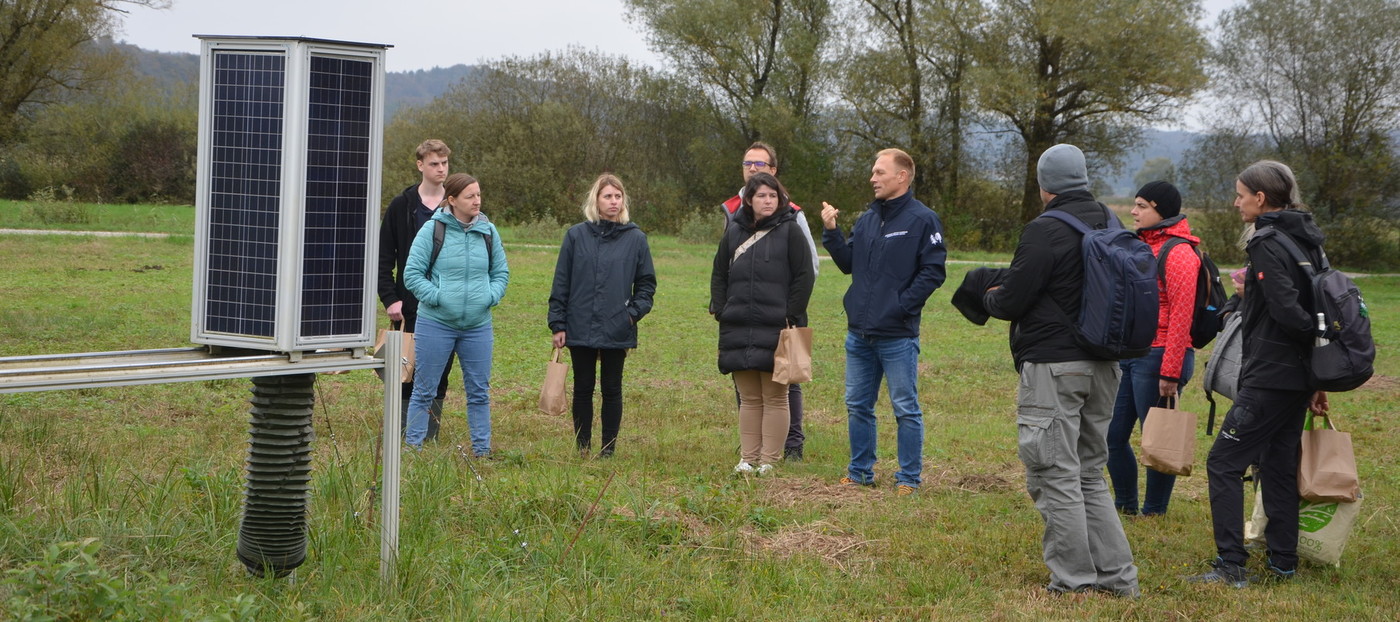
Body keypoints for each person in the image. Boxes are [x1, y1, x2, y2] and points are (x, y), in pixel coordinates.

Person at [982, 144, 1139, 597]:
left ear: (1043, 185)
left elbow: (1012, 299)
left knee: (1055, 473)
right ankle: (1118, 578)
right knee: (1090, 472)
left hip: (1055, 367)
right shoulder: (1111, 221)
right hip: (1107, 365)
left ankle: (1073, 581)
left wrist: (988, 295)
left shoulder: (1044, 229)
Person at [1187, 160, 1328, 587]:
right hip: (1298, 376)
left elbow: (1290, 311)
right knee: (1279, 466)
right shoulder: (1308, 238)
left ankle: (1231, 565)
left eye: (1241, 194)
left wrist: (1279, 321)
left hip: (1270, 376)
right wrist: (1315, 371)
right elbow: (1316, 307)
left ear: (1261, 198)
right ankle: (1283, 562)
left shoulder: (1266, 240)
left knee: (1223, 463)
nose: (1236, 202)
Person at [820, 148, 946, 495]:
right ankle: (860, 472)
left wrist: (900, 306)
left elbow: (933, 272)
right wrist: (831, 231)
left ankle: (908, 479)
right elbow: (849, 263)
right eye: (873, 173)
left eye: (879, 172)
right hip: (859, 334)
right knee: (857, 405)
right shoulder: (868, 219)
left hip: (897, 334)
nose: (872, 178)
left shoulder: (922, 220)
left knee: (905, 408)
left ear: (902, 176)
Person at [710, 172, 815, 476]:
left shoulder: (791, 231)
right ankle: (748, 458)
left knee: (775, 396)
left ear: (779, 198)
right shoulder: (734, 233)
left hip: (778, 326)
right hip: (738, 323)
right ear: (749, 200)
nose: (767, 201)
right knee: (749, 398)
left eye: (772, 195)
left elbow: (804, 277)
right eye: (761, 196)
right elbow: (719, 273)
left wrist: (790, 315)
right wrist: (721, 308)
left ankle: (769, 460)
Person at [1106, 181, 1200, 516]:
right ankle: (1125, 504)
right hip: (1131, 355)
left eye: (1142, 205)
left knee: (1158, 438)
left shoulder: (1180, 253)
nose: (1133, 211)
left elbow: (1181, 316)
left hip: (1160, 358)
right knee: (1111, 436)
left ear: (1160, 210)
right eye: (1135, 204)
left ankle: (1154, 511)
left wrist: (1170, 372)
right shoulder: (1143, 246)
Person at [549, 173, 657, 458]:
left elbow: (646, 284)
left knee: (611, 388)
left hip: (617, 325)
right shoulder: (576, 236)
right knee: (583, 388)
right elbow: (562, 281)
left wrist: (631, 315)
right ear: (595, 200)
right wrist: (558, 322)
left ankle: (608, 449)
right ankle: (582, 447)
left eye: (618, 196)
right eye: (607, 196)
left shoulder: (635, 239)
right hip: (579, 323)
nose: (613, 201)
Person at [402, 173, 510, 452]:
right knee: (424, 390)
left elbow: (501, 273)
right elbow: (412, 275)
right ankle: (413, 449)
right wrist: (438, 298)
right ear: (452, 200)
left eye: (478, 194)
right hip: (435, 323)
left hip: (478, 326)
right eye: (470, 196)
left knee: (478, 393)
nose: (477, 201)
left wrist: (490, 296)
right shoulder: (432, 230)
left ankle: (482, 451)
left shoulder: (488, 231)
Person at [377, 139, 454, 441]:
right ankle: (403, 433)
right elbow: (384, 257)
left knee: (440, 371)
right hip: (408, 306)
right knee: (404, 371)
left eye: (445, 163)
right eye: (434, 163)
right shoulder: (402, 205)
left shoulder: (456, 202)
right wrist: (389, 298)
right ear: (420, 165)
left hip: (446, 305)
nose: (441, 169)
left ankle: (430, 435)